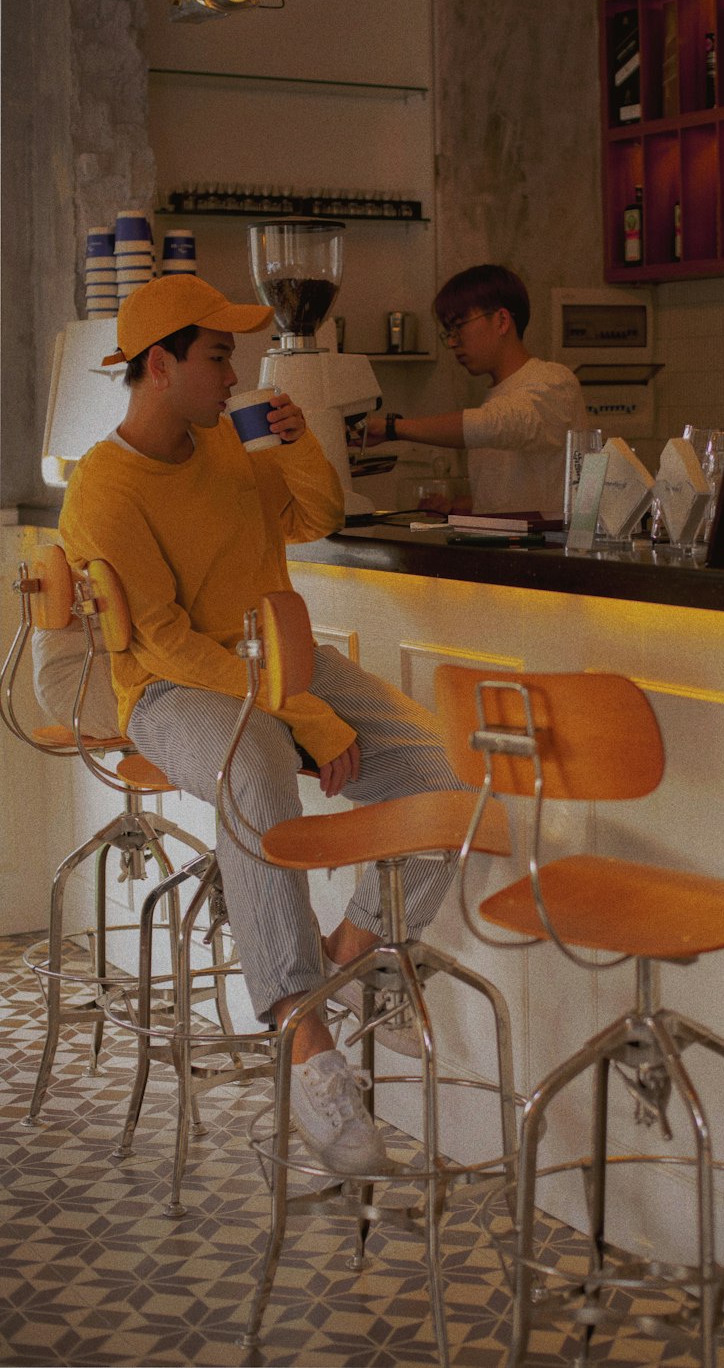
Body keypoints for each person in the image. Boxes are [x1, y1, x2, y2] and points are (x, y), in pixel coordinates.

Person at [58, 273, 465, 1175]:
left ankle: (352, 961)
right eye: (218, 356)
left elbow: (319, 516)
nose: (234, 371)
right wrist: (299, 710)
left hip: (280, 659)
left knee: (437, 771)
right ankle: (302, 1032)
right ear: (160, 365)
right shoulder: (102, 486)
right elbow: (162, 641)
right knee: (256, 761)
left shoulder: (233, 442)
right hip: (170, 692)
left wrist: (300, 444)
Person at [365, 264, 588, 515]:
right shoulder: (498, 393)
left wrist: (392, 428)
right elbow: (511, 497)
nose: (451, 342)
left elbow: (492, 424)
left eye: (459, 326)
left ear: (502, 320)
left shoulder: (554, 382)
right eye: (448, 332)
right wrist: (455, 507)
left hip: (550, 552)